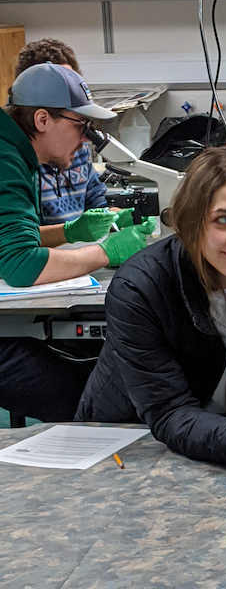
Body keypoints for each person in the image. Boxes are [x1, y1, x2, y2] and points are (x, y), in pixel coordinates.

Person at [76, 146, 226, 472]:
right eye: (224, 220)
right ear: (191, 221)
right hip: (131, 448)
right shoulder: (140, 288)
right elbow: (168, 410)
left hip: (218, 448)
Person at [0, 62, 154, 421]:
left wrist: (71, 233)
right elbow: (21, 265)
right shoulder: (5, 159)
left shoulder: (11, 147)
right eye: (80, 126)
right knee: (80, 393)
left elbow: (7, 240)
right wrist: (104, 252)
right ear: (42, 120)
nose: (86, 139)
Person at [14, 37, 109, 224]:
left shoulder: (74, 143)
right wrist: (72, 235)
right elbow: (22, 241)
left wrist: (112, 219)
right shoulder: (15, 165)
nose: (84, 138)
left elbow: (96, 200)